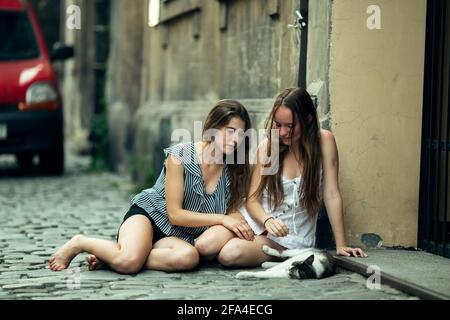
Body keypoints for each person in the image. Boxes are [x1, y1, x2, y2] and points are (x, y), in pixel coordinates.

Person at [49, 100, 255, 273]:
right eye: (230, 131)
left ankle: (114, 256)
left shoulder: (236, 170)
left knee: (188, 259)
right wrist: (222, 219)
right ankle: (80, 242)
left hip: (181, 237)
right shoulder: (180, 155)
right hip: (149, 217)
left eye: (241, 134)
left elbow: (235, 213)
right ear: (213, 128)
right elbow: (175, 214)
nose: (236, 139)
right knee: (128, 263)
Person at [217, 87, 368, 268]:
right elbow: (252, 201)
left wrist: (341, 244)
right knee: (207, 245)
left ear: (308, 120)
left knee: (230, 254)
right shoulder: (270, 147)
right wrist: (268, 220)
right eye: (278, 124)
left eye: (290, 126)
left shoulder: (324, 142)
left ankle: (281, 257)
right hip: (257, 222)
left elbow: (332, 194)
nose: (282, 132)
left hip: (289, 240)